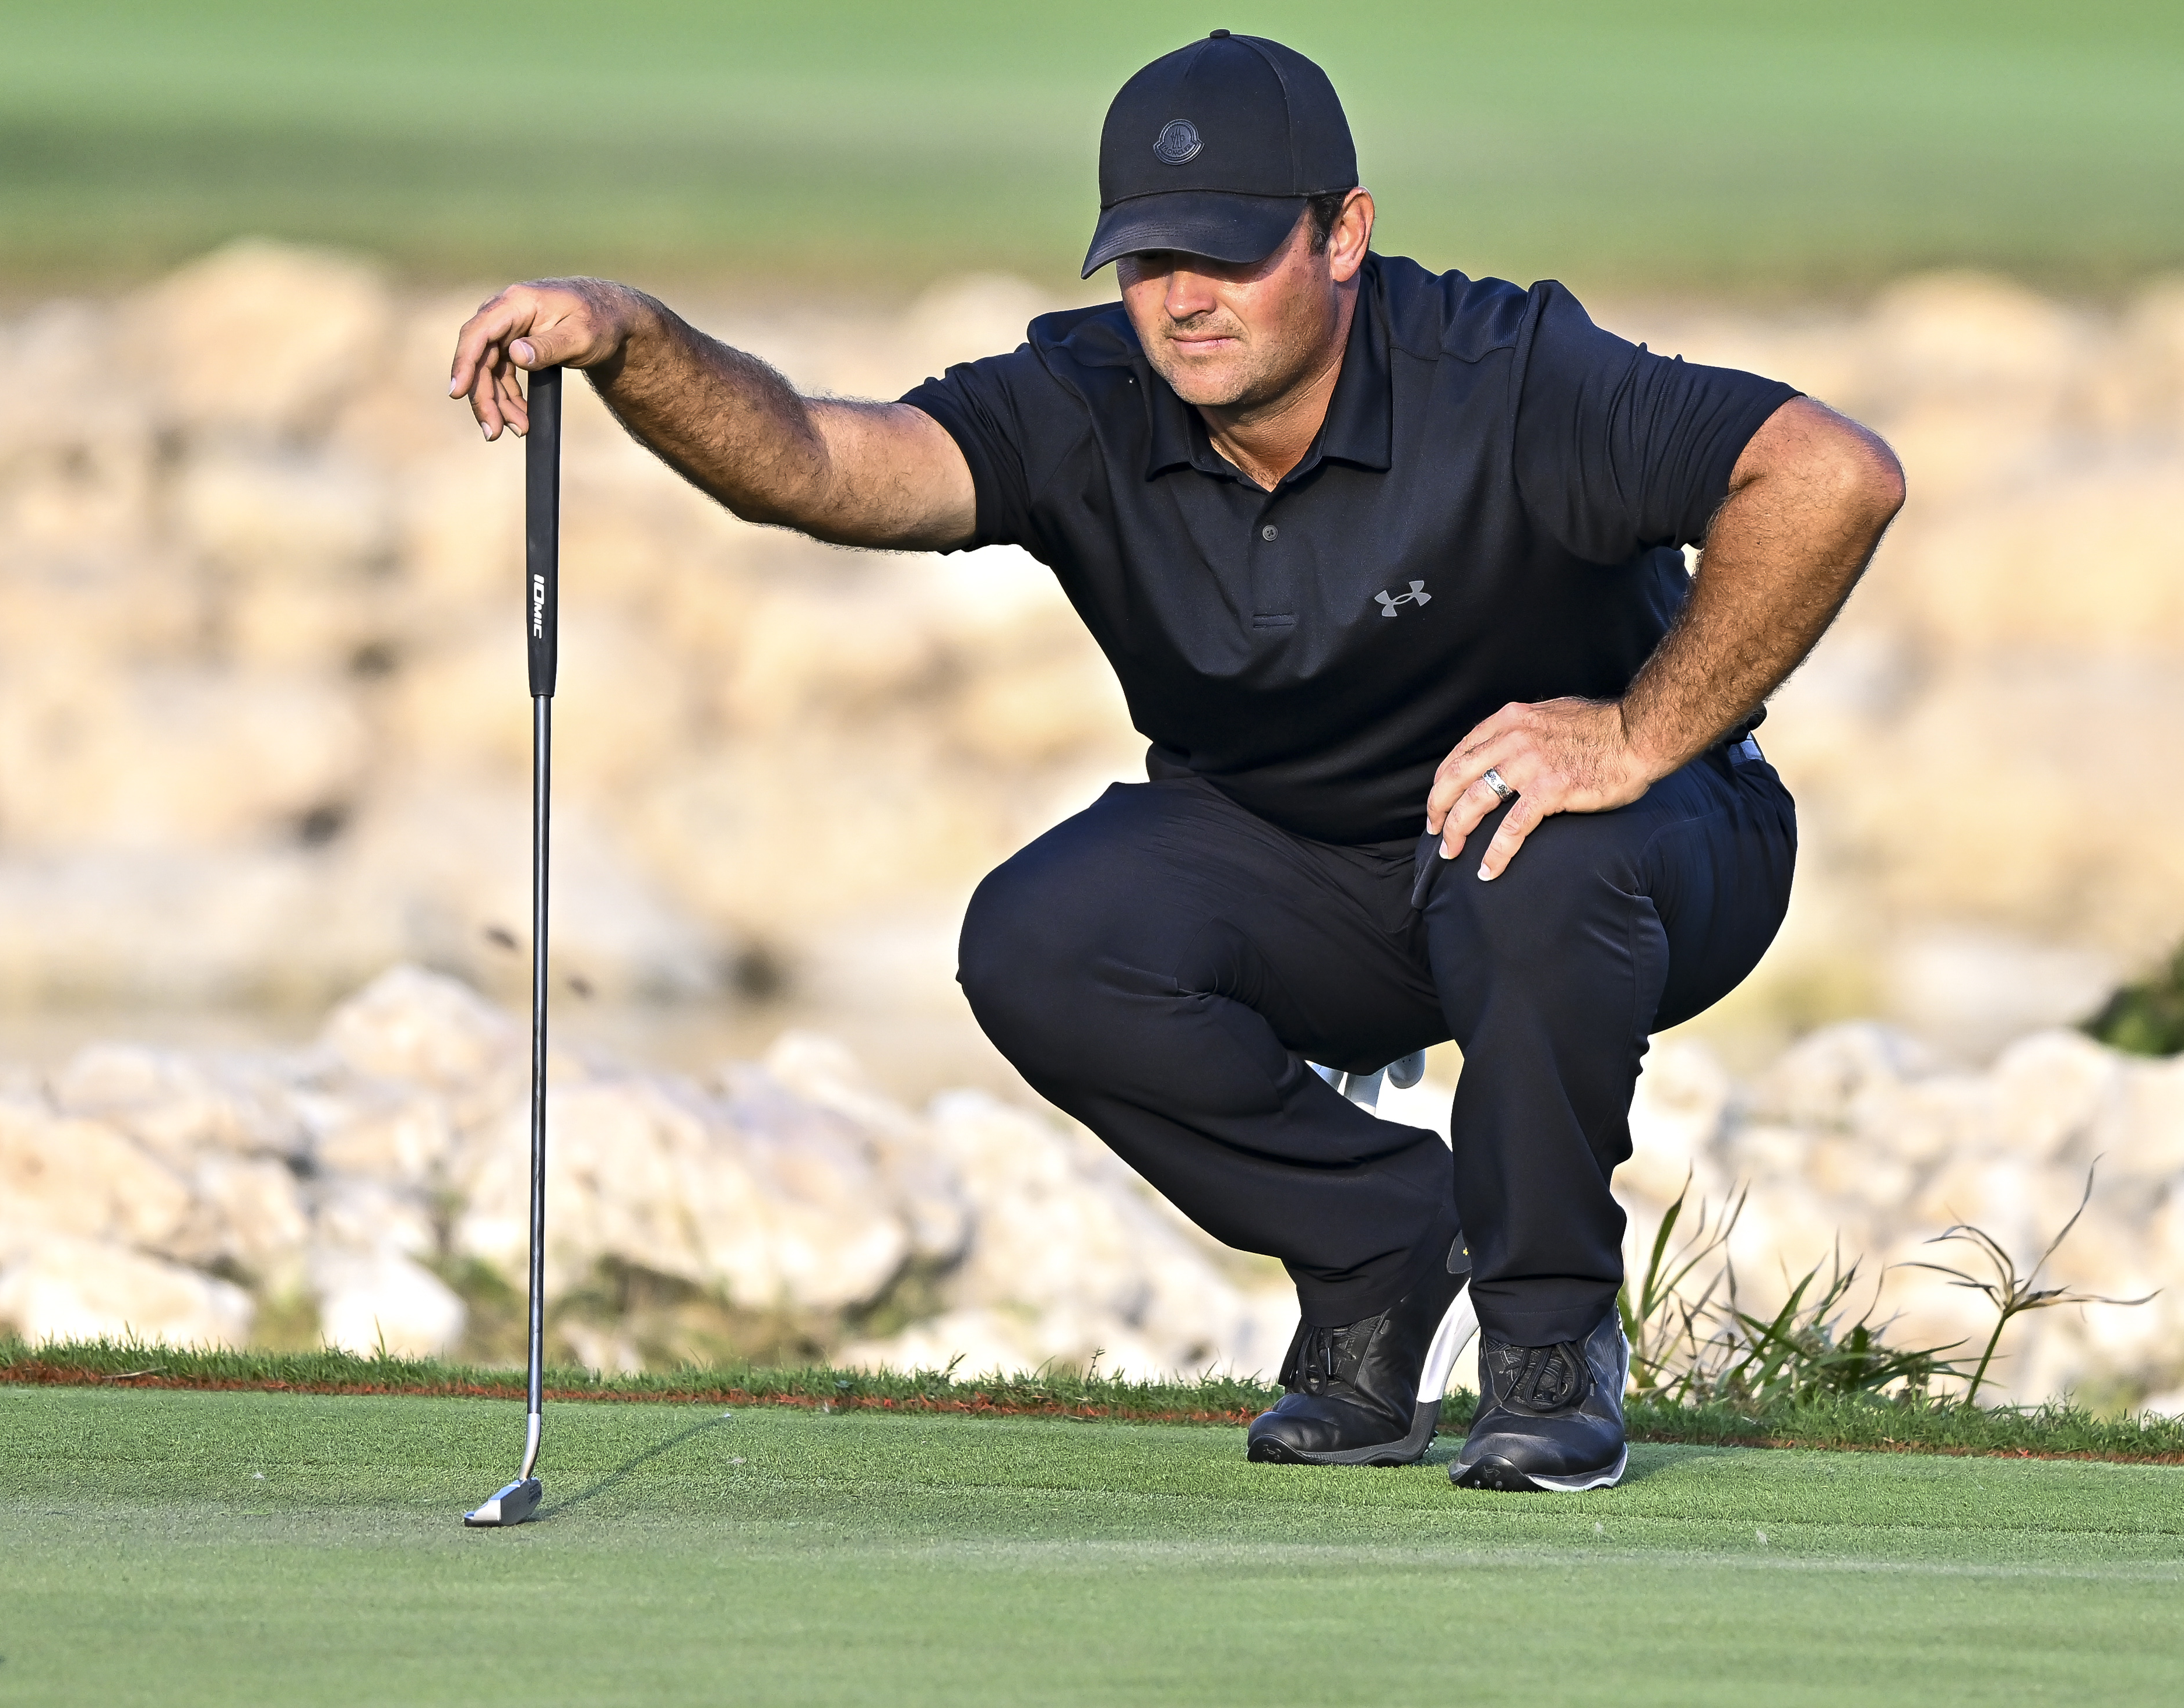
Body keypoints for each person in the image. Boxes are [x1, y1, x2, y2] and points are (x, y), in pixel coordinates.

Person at [448, 31, 1903, 1492]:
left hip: (1638, 848)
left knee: (1527, 858)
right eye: (1147, 260)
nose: (1184, 298)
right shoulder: (1085, 396)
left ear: (1343, 235)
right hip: (1309, 870)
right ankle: (1378, 1239)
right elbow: (822, 465)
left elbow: (1830, 471)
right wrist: (633, 338)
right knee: (1044, 938)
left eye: (1228, 253)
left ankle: (1550, 1344)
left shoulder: (1506, 374)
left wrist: (1636, 732)